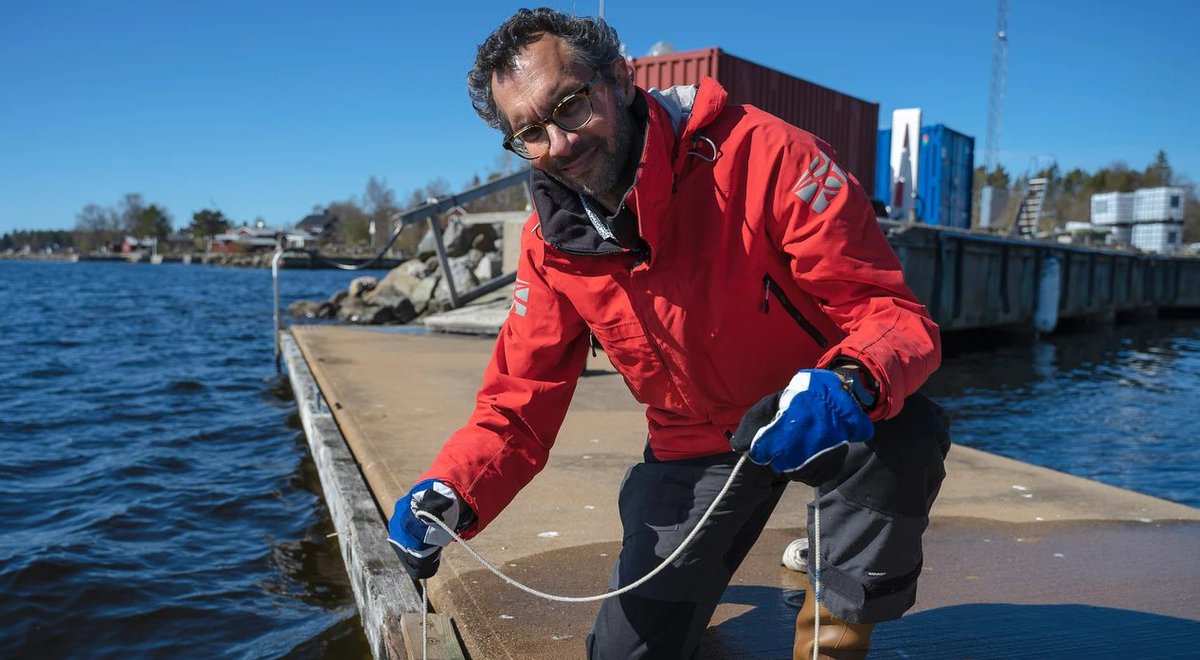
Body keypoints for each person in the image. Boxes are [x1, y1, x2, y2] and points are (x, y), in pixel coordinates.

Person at [388, 8, 949, 659]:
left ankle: (836, 630)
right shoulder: (550, 245)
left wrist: (849, 381)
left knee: (903, 436)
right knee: (627, 653)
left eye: (570, 104)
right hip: (694, 445)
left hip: (822, 412)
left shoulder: (771, 155)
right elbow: (519, 401)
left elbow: (892, 315)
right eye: (531, 133)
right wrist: (452, 490)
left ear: (620, 79)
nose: (561, 144)